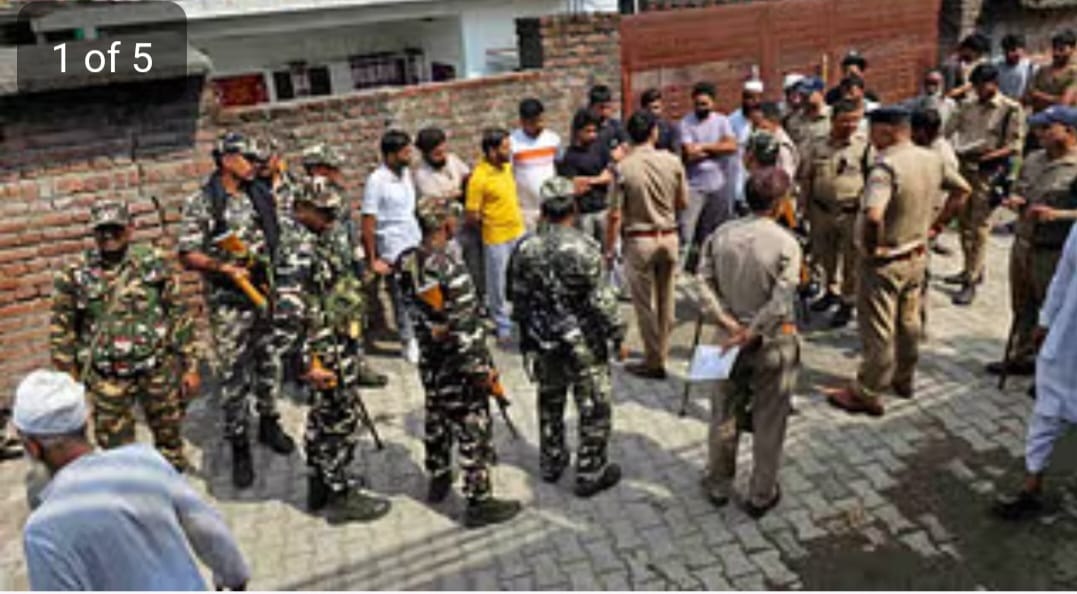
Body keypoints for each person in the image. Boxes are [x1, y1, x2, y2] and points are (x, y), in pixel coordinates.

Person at [14, 369, 250, 590]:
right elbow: (208, 529)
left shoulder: (43, 531)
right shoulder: (146, 461)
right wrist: (234, 577)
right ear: (86, 421)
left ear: (32, 447)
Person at [825, 106, 971, 417]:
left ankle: (867, 391)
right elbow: (962, 190)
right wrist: (936, 227)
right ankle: (904, 379)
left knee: (878, 331)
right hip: (917, 254)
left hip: (885, 263)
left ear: (887, 131)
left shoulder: (886, 168)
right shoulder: (931, 159)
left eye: (873, 131)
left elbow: (874, 215)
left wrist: (871, 247)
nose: (870, 138)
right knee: (909, 323)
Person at [396, 196, 523, 526]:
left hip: (431, 360)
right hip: (458, 364)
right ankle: (479, 500)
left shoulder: (407, 262)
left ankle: (438, 475)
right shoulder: (450, 270)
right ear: (446, 225)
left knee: (437, 414)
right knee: (472, 424)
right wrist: (480, 372)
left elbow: (419, 310)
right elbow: (464, 328)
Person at [179, 132, 295, 489]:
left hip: (266, 294)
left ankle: (269, 422)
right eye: (247, 158)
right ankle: (239, 442)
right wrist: (223, 268)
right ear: (227, 159)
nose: (254, 164)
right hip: (230, 301)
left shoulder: (259, 193)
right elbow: (187, 253)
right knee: (233, 373)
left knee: (269, 361)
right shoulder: (204, 201)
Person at [276, 180, 392, 523]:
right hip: (322, 350)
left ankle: (320, 482)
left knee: (323, 416)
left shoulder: (320, 235)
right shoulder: (296, 248)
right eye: (323, 212)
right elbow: (288, 314)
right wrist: (305, 362)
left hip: (338, 340)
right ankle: (339, 494)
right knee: (338, 418)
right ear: (301, 208)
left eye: (331, 211)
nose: (330, 218)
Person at [51, 200, 198, 471]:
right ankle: (129, 488)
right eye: (101, 230)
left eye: (115, 229)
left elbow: (178, 313)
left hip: (157, 370)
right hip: (107, 378)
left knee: (170, 437)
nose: (108, 236)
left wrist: (191, 366)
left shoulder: (153, 262)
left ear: (130, 229)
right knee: (117, 452)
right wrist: (69, 379)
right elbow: (62, 330)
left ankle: (171, 481)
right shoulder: (75, 274)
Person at [509, 177, 626, 497]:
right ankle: (590, 472)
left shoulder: (524, 248)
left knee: (550, 401)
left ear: (544, 209)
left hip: (543, 341)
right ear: (573, 208)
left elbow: (517, 298)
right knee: (593, 406)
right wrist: (618, 334)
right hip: (583, 344)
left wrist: (527, 339)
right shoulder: (584, 248)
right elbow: (602, 301)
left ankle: (551, 461)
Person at [696, 167, 802, 519]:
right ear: (779, 203)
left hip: (723, 339)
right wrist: (752, 330)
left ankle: (717, 482)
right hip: (772, 340)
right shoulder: (787, 244)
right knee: (770, 419)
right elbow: (781, 300)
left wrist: (727, 322)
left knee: (722, 412)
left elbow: (702, 282)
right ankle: (761, 493)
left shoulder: (720, 234)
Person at [993, 223, 1077, 520]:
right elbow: (1064, 275)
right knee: (1047, 412)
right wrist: (1045, 320)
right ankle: (1032, 486)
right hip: (1066, 341)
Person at [986, 106, 1077, 378]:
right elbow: (1021, 189)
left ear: (1070, 131)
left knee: (1052, 311)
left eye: (1048, 128)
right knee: (1022, 305)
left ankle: (1049, 367)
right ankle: (1022, 355)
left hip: (1054, 251)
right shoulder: (1034, 159)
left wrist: (1059, 214)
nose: (1040, 133)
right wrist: (1017, 200)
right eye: (1038, 128)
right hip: (1024, 244)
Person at [607, 110, 690, 379]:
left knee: (644, 305)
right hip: (669, 235)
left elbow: (615, 214)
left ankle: (653, 360)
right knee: (667, 301)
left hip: (639, 238)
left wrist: (609, 247)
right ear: (654, 132)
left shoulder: (623, 168)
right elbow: (683, 202)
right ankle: (661, 353)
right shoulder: (673, 161)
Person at [299, 143, 388, 389]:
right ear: (318, 168)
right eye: (331, 167)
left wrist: (359, 261)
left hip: (345, 264)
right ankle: (332, 368)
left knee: (353, 316)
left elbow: (348, 227)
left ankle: (357, 364)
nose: (336, 172)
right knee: (328, 323)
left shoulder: (337, 191)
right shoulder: (308, 195)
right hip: (324, 270)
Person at [944, 63, 1025, 306]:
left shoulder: (1010, 109)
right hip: (963, 167)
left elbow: (1015, 145)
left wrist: (989, 156)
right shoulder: (967, 106)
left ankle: (971, 280)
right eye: (975, 86)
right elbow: (948, 131)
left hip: (988, 172)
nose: (978, 91)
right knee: (963, 222)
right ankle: (969, 267)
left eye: (982, 86)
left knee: (980, 226)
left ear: (994, 84)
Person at [797, 100, 872, 328]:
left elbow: (872, 179)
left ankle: (848, 301)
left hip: (851, 212)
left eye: (854, 121)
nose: (849, 126)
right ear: (833, 120)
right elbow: (807, 177)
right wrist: (803, 209)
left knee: (851, 259)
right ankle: (831, 290)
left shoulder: (863, 146)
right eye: (844, 121)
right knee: (825, 254)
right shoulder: (817, 145)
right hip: (821, 210)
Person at [361, 129, 423, 363]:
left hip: (413, 240)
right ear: (390, 155)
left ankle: (421, 334)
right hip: (393, 247)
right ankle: (408, 341)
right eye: (404, 152)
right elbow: (368, 221)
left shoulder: (406, 174)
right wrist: (372, 259)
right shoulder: (376, 181)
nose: (409, 156)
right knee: (401, 296)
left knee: (420, 293)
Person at [466, 127, 527, 345]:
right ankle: (502, 323)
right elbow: (472, 214)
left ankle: (521, 316)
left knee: (520, 277)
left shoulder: (507, 167)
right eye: (504, 148)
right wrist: (491, 225)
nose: (509, 151)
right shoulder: (479, 177)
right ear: (492, 151)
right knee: (497, 284)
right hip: (496, 237)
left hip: (517, 231)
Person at [412, 127, 482, 300]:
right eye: (436, 153)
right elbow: (439, 202)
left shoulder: (452, 160)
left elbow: (469, 179)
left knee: (476, 271)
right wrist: (457, 193)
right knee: (455, 278)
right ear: (426, 153)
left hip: (467, 227)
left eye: (443, 150)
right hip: (446, 236)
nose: (441, 155)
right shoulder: (422, 175)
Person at [680, 81, 738, 272]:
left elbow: (731, 146)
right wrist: (717, 149)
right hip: (694, 187)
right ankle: (680, 271)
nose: (701, 108)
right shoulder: (686, 123)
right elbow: (689, 153)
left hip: (719, 185)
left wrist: (704, 147)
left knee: (715, 232)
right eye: (698, 104)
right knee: (686, 231)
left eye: (705, 104)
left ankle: (710, 269)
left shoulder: (722, 121)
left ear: (713, 103)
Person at [558, 108, 615, 245]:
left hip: (602, 209)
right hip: (583, 214)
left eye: (594, 131)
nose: (593, 135)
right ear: (578, 132)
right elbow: (575, 185)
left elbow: (609, 175)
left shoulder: (600, 149)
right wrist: (598, 179)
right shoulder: (570, 156)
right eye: (588, 131)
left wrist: (590, 180)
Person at [911, 108, 961, 258]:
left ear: (921, 131)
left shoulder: (942, 155)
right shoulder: (924, 146)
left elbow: (958, 192)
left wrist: (939, 225)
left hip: (930, 211)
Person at [511, 98, 561, 227]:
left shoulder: (553, 139)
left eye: (541, 120)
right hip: (526, 209)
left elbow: (559, 167)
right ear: (522, 122)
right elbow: (509, 173)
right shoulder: (513, 142)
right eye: (534, 122)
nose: (540, 125)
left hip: (551, 207)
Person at [729, 80, 765, 208]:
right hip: (738, 178)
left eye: (757, 98)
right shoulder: (732, 120)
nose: (753, 102)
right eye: (749, 98)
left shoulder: (768, 119)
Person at [1025, 30, 1077, 115]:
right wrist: (1054, 99)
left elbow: (1064, 104)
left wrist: (1038, 95)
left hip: (1061, 122)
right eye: (1054, 48)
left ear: (1073, 49)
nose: (1056, 53)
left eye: (1061, 49)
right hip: (1038, 120)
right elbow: (1028, 98)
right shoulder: (1042, 71)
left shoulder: (1073, 73)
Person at [747, 102, 799, 181]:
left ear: (775, 124)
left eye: (763, 127)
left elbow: (784, 181)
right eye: (754, 127)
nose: (757, 131)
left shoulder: (783, 148)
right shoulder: (757, 141)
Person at [784, 76, 831, 151]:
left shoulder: (833, 116)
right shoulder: (793, 120)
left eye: (809, 93)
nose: (805, 96)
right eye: (802, 93)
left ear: (822, 92)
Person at [588, 84, 629, 163]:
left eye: (608, 107)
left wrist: (622, 149)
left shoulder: (615, 126)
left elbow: (626, 143)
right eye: (601, 107)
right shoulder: (586, 127)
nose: (605, 111)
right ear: (592, 107)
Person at [947, 32, 991, 101]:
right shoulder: (953, 64)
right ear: (967, 49)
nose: (978, 57)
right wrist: (970, 85)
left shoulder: (977, 64)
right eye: (978, 53)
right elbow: (948, 93)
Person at [641, 87, 682, 154]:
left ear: (662, 107)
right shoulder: (638, 129)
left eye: (656, 108)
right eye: (648, 109)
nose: (652, 112)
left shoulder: (670, 129)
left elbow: (676, 153)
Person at [997, 34, 1036, 101]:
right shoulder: (998, 68)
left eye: (1013, 50)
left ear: (1022, 50)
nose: (1010, 54)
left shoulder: (1030, 67)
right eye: (1007, 51)